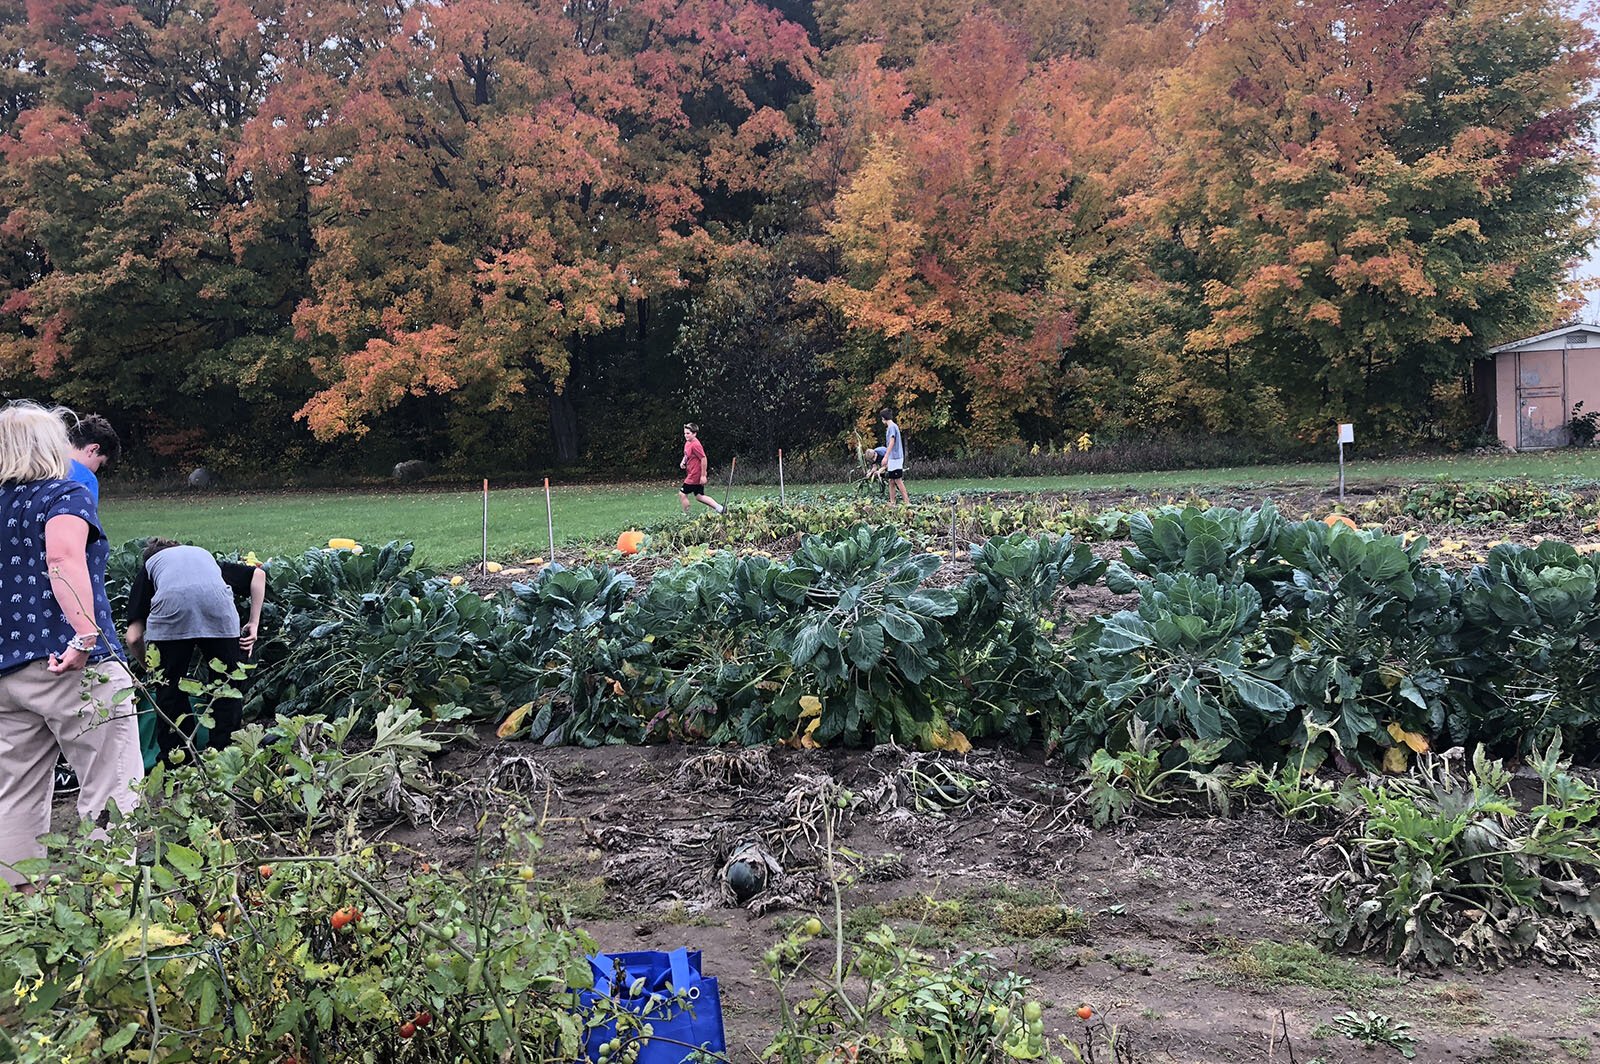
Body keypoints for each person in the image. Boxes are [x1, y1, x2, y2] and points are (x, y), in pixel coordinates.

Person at [0, 400, 143, 888]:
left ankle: (19, 912)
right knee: (112, 783)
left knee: (15, 792)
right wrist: (85, 635)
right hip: (71, 663)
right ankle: (112, 901)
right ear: (49, 446)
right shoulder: (64, 494)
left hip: (7, 672)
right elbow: (62, 556)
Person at [124, 538, 266, 760]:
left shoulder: (150, 566)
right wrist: (254, 623)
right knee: (227, 685)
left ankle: (178, 759)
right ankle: (224, 756)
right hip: (219, 609)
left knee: (169, 689)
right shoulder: (203, 557)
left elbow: (133, 638)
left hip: (171, 609)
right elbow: (258, 575)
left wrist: (151, 669)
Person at [64, 414, 120, 507]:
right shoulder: (86, 480)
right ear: (93, 449)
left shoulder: (41, 467)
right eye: (100, 463)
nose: (96, 470)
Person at [679, 423, 725, 515]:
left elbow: (703, 458)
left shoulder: (696, 445)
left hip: (695, 475)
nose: (685, 435)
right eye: (685, 433)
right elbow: (686, 454)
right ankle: (720, 508)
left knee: (682, 494)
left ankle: (686, 515)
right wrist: (683, 461)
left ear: (694, 433)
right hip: (691, 472)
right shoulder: (688, 442)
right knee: (699, 496)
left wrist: (703, 475)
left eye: (688, 433)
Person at [880, 408, 909, 505]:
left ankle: (907, 502)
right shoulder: (892, 427)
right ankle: (892, 502)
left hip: (896, 457)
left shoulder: (892, 427)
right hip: (893, 458)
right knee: (891, 480)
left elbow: (892, 441)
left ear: (884, 418)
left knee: (898, 480)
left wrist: (886, 456)